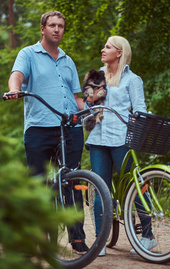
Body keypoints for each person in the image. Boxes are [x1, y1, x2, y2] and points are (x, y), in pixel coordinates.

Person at [4, 10, 88, 254]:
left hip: (70, 127)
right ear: (42, 29)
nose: (56, 29)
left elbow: (75, 97)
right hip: (39, 127)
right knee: (38, 183)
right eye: (52, 25)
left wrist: (92, 109)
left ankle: (78, 239)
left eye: (60, 26)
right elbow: (17, 75)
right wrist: (14, 89)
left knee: (73, 182)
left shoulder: (68, 60)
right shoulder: (28, 54)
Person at [85, 36, 157, 256]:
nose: (102, 49)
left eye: (108, 47)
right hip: (98, 138)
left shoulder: (132, 80)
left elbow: (141, 109)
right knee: (100, 189)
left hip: (121, 139)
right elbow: (89, 104)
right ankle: (100, 241)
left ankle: (147, 236)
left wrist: (141, 119)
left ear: (119, 52)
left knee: (134, 188)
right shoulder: (97, 75)